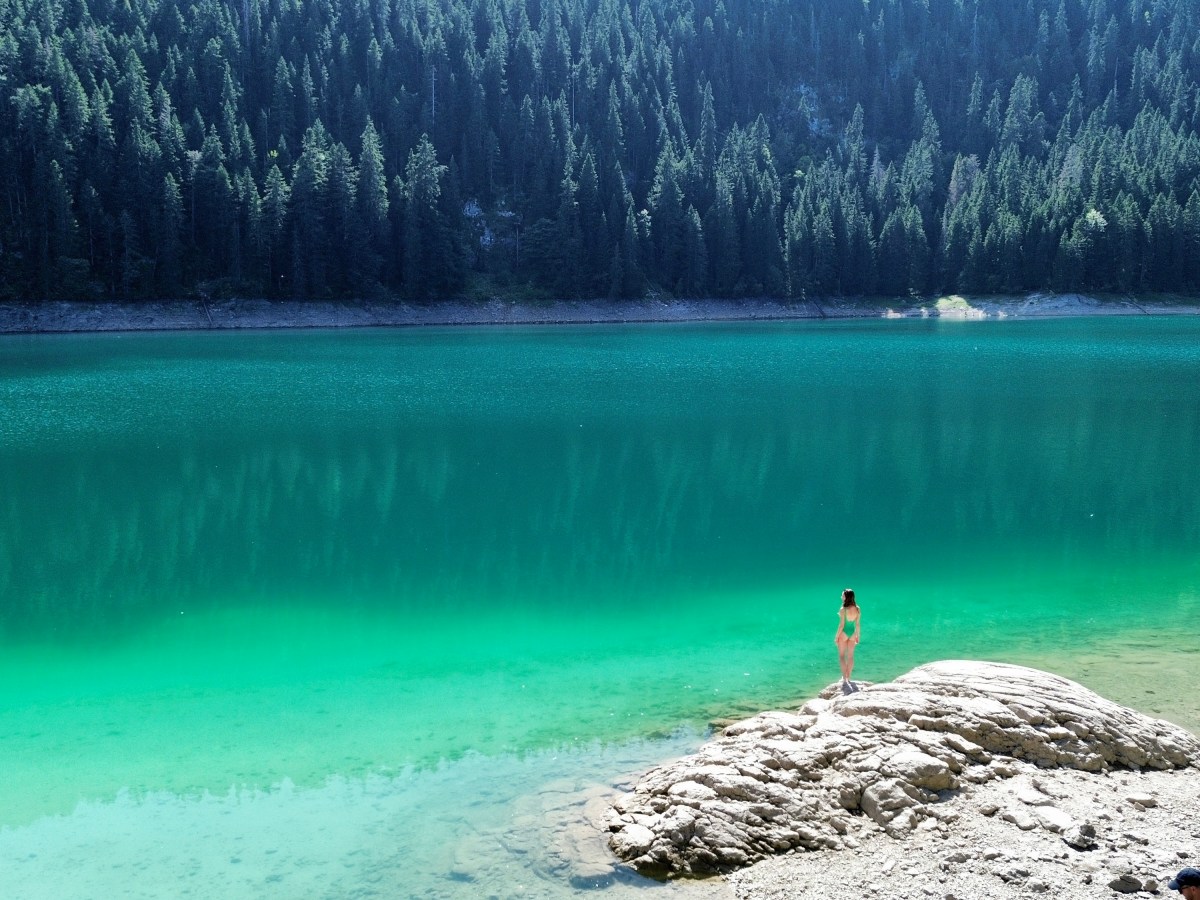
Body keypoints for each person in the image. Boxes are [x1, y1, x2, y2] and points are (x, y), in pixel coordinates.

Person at [834, 588, 861, 689]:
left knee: (842, 656)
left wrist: (836, 637)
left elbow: (841, 625)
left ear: (846, 597)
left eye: (842, 595)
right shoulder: (857, 608)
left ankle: (844, 678)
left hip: (844, 633)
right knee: (850, 656)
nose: (841, 596)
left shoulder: (843, 609)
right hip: (853, 633)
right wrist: (858, 635)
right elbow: (857, 624)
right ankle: (848, 677)